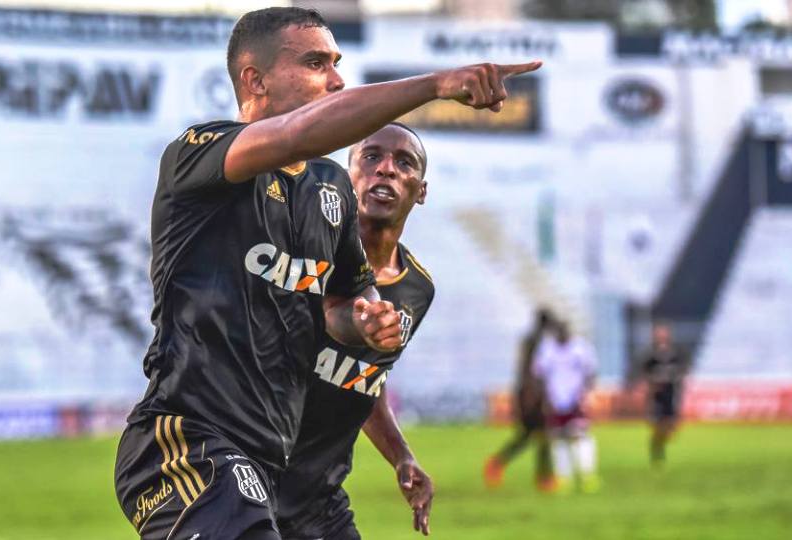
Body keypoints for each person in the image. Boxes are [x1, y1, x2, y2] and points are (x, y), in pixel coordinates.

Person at [113, 7, 541, 540]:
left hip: (277, 463)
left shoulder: (330, 188)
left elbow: (339, 303)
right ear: (256, 80)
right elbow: (294, 134)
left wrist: (364, 320)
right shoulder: (196, 155)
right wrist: (435, 85)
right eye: (316, 63)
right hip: (189, 443)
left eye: (337, 64)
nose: (336, 80)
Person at [278, 123, 435, 539]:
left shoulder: (418, 290)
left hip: (319, 500)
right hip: (247, 478)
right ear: (347, 179)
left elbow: (363, 379)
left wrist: (402, 456)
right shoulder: (298, 253)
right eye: (371, 156)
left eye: (405, 162)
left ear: (421, 191)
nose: (386, 169)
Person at [483, 308, 555, 492]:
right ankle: (544, 478)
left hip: (526, 392)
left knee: (531, 436)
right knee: (541, 435)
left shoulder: (531, 339)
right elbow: (532, 369)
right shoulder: (539, 341)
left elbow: (524, 368)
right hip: (533, 395)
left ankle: (498, 463)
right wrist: (536, 395)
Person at [532, 319, 600, 493]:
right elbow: (539, 374)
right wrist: (544, 398)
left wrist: (586, 394)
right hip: (555, 400)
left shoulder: (580, 347)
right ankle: (564, 477)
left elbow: (591, 372)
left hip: (576, 399)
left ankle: (587, 475)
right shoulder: (547, 349)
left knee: (580, 435)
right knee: (559, 438)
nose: (562, 333)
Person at [634, 322, 692, 466]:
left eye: (663, 333)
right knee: (657, 425)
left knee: (671, 427)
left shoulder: (676, 352)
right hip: (656, 395)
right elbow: (643, 371)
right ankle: (657, 453)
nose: (661, 336)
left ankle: (660, 441)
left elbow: (684, 368)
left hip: (672, 393)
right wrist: (652, 381)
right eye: (658, 333)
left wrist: (677, 377)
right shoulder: (650, 354)